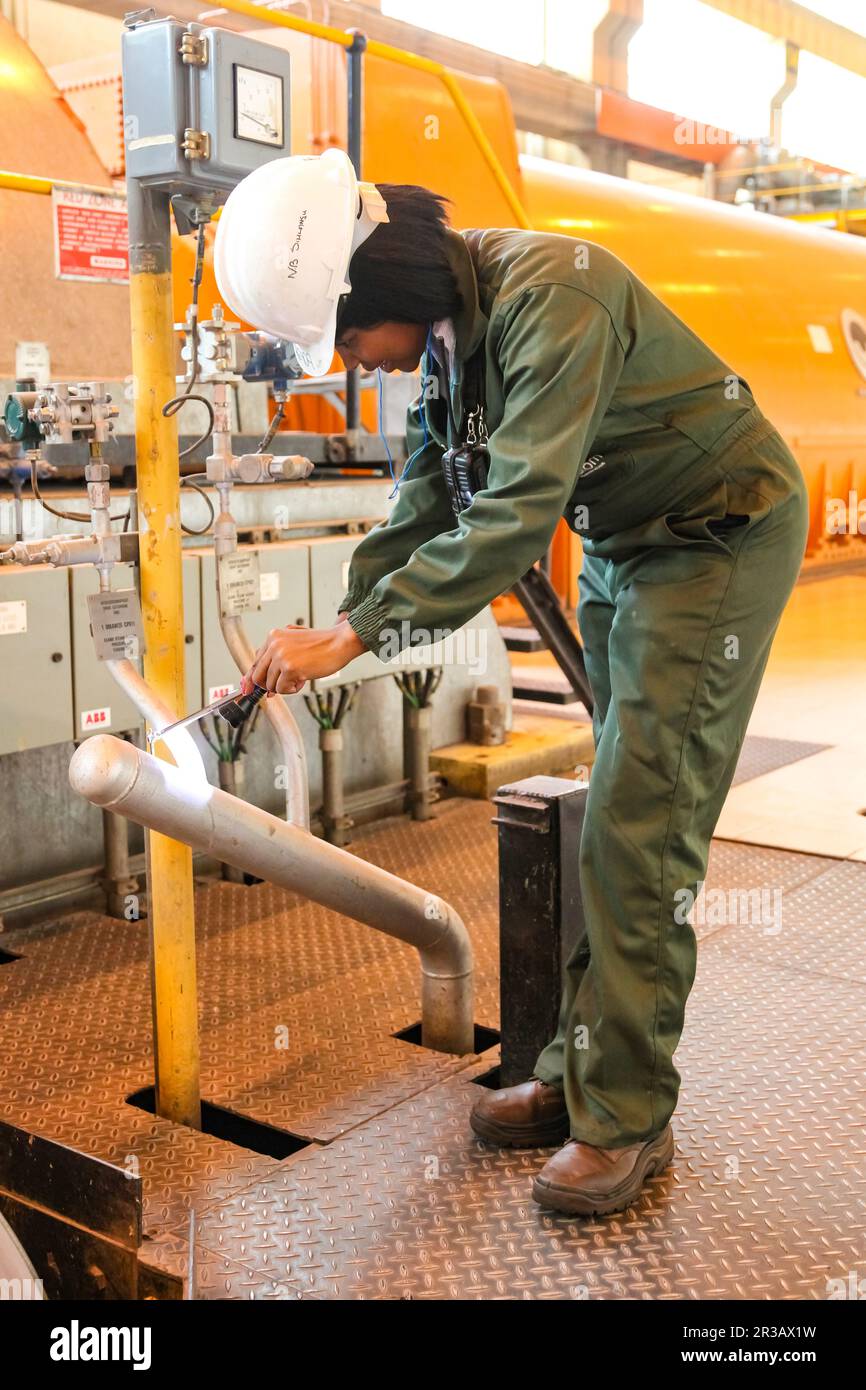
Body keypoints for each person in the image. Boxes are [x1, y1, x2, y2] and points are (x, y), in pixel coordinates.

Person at [217, 150, 809, 1217]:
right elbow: (426, 500)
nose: (358, 362)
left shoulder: (552, 298)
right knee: (614, 821)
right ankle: (579, 1067)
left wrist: (353, 639)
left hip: (711, 537)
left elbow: (506, 519)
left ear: (381, 292)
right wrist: (335, 616)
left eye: (349, 340)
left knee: (642, 825)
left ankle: (626, 1118)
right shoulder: (450, 334)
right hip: (625, 544)